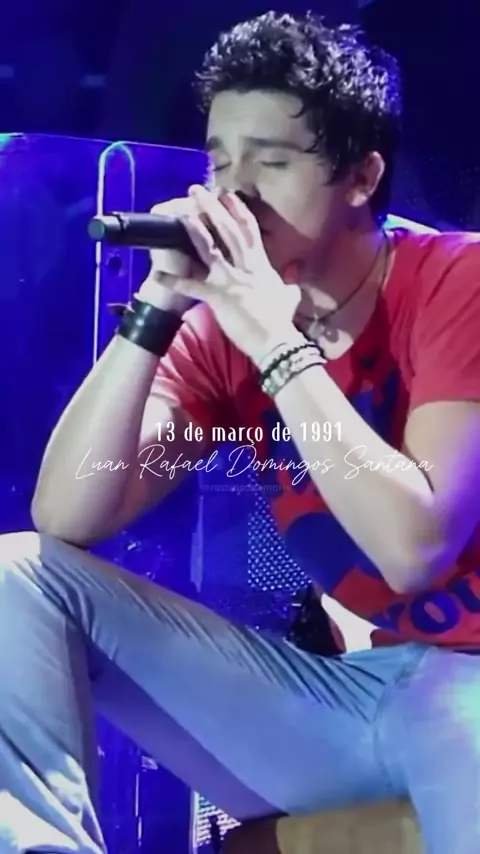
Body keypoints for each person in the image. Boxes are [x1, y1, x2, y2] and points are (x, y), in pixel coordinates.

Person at [1, 10, 480, 854]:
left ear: (361, 176)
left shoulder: (456, 279)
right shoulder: (221, 333)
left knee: (454, 707)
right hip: (358, 697)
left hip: (468, 684)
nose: (235, 194)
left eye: (273, 162)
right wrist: (156, 306)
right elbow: (69, 512)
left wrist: (274, 340)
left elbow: (415, 550)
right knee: (20, 576)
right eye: (220, 162)